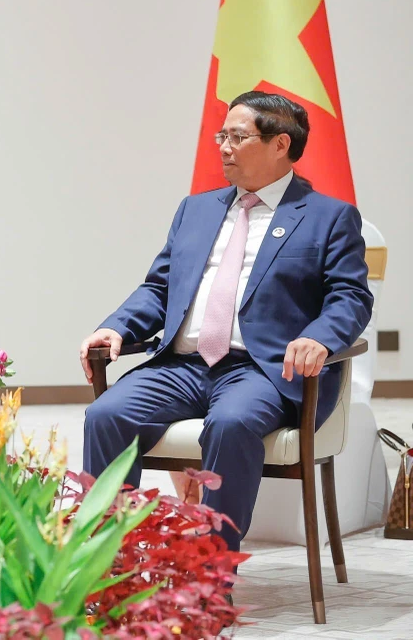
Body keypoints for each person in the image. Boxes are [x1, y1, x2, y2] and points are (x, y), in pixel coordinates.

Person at [79, 91, 373, 555]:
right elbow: (159, 287)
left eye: (237, 136)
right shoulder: (196, 209)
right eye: (223, 135)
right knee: (106, 415)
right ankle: (108, 565)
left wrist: (318, 336)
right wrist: (118, 326)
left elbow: (351, 297)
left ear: (280, 144)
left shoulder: (328, 217)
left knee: (231, 424)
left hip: (263, 370)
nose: (224, 146)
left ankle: (212, 573)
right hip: (182, 366)